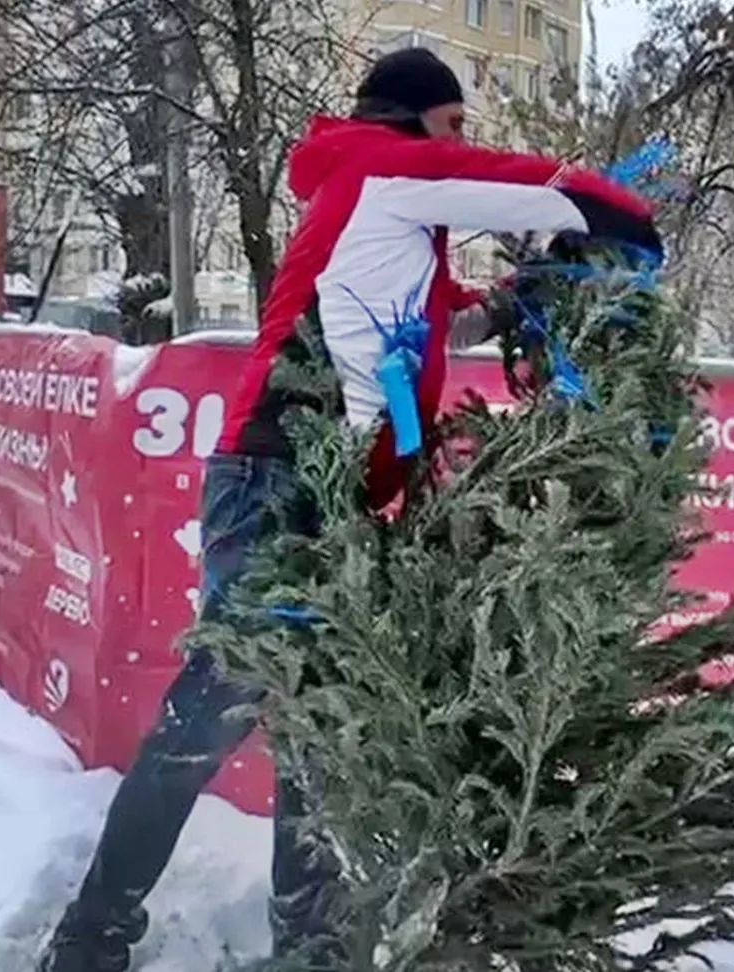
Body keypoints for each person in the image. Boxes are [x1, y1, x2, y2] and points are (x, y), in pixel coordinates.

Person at [38, 47, 662, 972]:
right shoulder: (383, 166)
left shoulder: (381, 212)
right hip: (279, 479)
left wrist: (515, 303)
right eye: (453, 124)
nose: (461, 141)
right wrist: (628, 225)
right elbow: (543, 190)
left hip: (332, 490)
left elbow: (441, 319)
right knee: (211, 713)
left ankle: (311, 945)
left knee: (323, 728)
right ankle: (89, 939)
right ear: (413, 116)